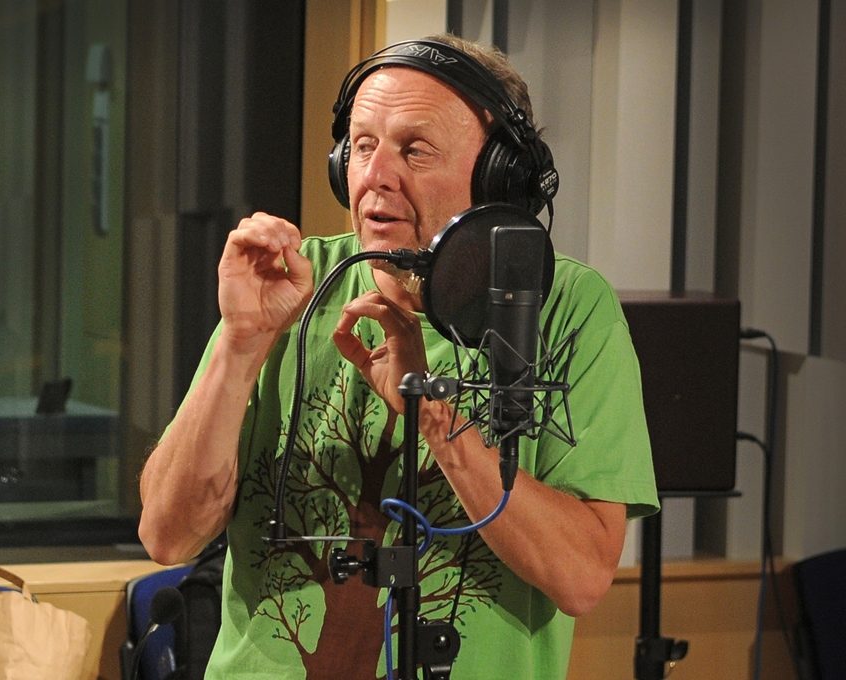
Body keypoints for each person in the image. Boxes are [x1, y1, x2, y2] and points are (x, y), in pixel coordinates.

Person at [139, 33, 659, 679]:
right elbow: (168, 536)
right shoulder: (289, 286)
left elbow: (580, 577)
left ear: (500, 175)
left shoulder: (565, 305)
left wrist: (433, 415)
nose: (375, 176)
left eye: (414, 150)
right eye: (362, 147)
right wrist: (242, 342)